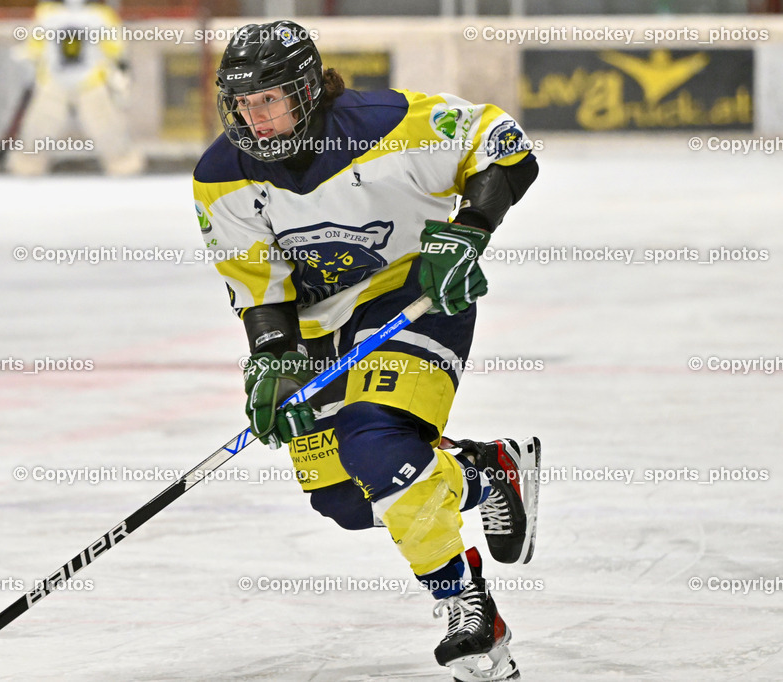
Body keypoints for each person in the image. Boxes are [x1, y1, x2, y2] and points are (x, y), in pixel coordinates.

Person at [192, 21, 541, 681]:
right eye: (240, 102)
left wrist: (468, 231)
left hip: (412, 292)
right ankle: (483, 472)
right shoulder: (220, 175)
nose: (252, 116)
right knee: (347, 501)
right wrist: (272, 359)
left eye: (266, 99)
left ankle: (470, 613)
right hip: (318, 327)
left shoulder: (389, 124)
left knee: (375, 445)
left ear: (304, 89)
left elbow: (504, 144)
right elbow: (258, 285)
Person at [7, 0, 145, 176]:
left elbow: (116, 48)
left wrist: (119, 71)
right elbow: (35, 45)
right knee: (38, 127)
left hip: (91, 81)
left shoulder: (100, 15)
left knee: (107, 127)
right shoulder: (47, 13)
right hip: (53, 81)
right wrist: (29, 59)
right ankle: (26, 167)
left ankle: (124, 166)